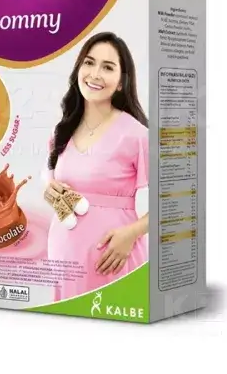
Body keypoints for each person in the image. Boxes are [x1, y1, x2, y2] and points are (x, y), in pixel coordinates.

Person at [45, 31, 149, 301]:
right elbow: (53, 179)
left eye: (108, 67)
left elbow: (174, 200)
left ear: (121, 82)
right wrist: (51, 191)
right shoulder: (62, 131)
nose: (95, 74)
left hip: (114, 260)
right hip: (64, 259)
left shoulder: (136, 135)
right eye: (89, 63)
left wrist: (132, 234)